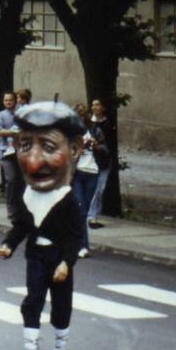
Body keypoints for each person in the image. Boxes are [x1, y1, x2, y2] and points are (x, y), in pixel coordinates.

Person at [0, 101, 86, 350]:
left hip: (58, 260)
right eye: (25, 146)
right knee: (32, 302)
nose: (33, 163)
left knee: (61, 305)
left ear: (74, 150)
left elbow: (75, 236)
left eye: (48, 147)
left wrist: (66, 263)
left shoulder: (69, 200)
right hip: (36, 257)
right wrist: (8, 244)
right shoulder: (27, 195)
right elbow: (22, 226)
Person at [72, 102, 106, 257]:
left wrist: (96, 144)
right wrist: (81, 147)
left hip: (92, 171)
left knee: (83, 212)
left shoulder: (94, 130)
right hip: (77, 173)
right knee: (81, 209)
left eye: (81, 117)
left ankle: (77, 240)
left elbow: (106, 150)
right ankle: (82, 246)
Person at [0, 91, 22, 220]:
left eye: (10, 100)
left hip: (21, 151)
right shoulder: (0, 115)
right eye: (6, 100)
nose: (8, 102)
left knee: (21, 180)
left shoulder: (21, 113)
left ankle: (21, 207)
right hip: (6, 152)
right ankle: (10, 207)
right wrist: (13, 132)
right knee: (11, 179)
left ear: (15, 101)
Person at [86, 98, 113, 228]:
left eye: (98, 104)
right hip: (90, 160)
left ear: (103, 108)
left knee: (100, 189)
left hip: (103, 160)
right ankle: (92, 216)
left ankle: (94, 214)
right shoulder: (88, 123)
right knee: (94, 189)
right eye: (93, 105)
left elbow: (110, 144)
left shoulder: (108, 123)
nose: (95, 107)